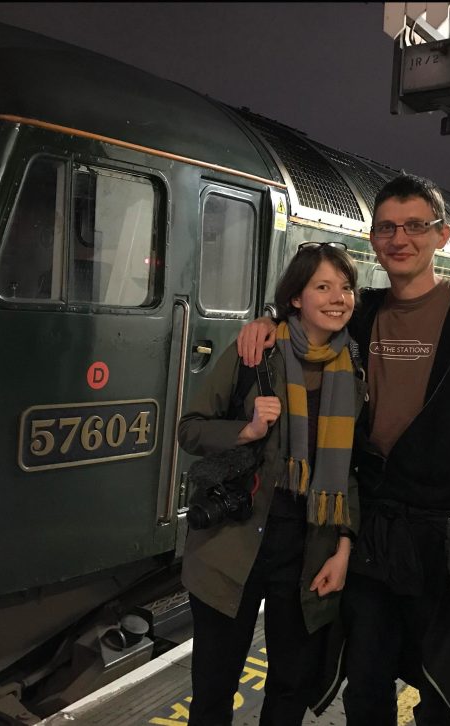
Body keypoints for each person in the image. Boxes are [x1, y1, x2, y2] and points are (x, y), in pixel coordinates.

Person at [236, 172, 450, 726]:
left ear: (442, 236)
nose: (399, 238)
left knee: (447, 699)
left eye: (414, 226)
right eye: (386, 227)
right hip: (372, 533)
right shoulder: (358, 313)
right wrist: (266, 321)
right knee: (366, 692)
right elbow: (302, 316)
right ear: (374, 240)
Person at [178, 242, 366, 726]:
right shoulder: (254, 353)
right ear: (296, 298)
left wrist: (344, 548)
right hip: (234, 546)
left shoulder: (355, 367)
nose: (337, 297)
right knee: (213, 695)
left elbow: (350, 471)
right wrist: (245, 431)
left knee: (289, 690)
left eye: (345, 287)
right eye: (322, 286)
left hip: (309, 552)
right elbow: (191, 429)